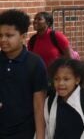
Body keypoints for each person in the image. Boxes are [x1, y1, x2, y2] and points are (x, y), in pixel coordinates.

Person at [0, 9, 48, 138]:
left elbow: (39, 107)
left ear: (23, 36)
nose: (3, 39)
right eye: (0, 35)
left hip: (23, 132)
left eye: (9, 35)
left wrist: (40, 136)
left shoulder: (35, 64)